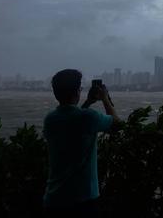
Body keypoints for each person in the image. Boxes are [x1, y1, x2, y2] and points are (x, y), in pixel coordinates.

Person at [43, 69, 120, 218]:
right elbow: (117, 125)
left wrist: (88, 102)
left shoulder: (50, 119)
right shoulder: (88, 117)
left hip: (54, 199)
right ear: (78, 91)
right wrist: (105, 98)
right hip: (83, 200)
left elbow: (73, 120)